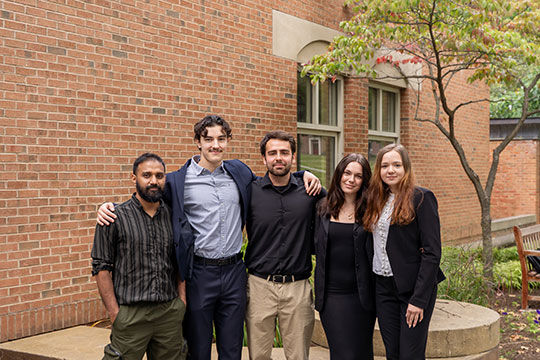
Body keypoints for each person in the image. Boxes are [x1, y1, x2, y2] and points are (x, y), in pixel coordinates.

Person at [96, 116, 320, 360]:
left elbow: (272, 180)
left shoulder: (239, 172)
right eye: (209, 139)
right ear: (197, 142)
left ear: (227, 142)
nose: (215, 145)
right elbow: (148, 195)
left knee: (232, 348)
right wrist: (111, 207)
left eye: (221, 139)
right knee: (198, 347)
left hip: (234, 272)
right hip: (200, 273)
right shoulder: (177, 181)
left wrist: (302, 175)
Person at [91, 153, 187, 360]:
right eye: (147, 175)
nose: (154, 181)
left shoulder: (174, 217)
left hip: (169, 313)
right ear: (134, 178)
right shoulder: (114, 217)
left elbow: (181, 259)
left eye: (159, 176)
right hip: (131, 314)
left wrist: (182, 300)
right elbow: (101, 267)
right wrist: (115, 313)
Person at [244, 131, 326, 360]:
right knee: (258, 356)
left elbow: (343, 201)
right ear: (264, 159)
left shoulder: (311, 191)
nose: (278, 158)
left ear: (292, 156)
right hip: (260, 285)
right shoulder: (250, 192)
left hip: (297, 288)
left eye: (284, 152)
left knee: (298, 356)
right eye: (272, 153)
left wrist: (306, 174)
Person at [363, 144, 445, 360]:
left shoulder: (422, 198)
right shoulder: (375, 198)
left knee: (411, 354)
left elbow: (432, 253)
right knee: (393, 353)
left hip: (413, 288)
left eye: (396, 165)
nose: (390, 170)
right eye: (385, 165)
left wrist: (418, 300)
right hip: (382, 287)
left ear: (406, 168)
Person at [313, 153, 376, 360]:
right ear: (339, 174)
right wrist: (304, 174)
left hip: (363, 296)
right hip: (332, 296)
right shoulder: (322, 207)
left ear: (364, 180)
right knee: (343, 355)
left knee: (362, 353)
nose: (351, 179)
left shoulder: (372, 209)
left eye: (358, 176)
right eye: (347, 173)